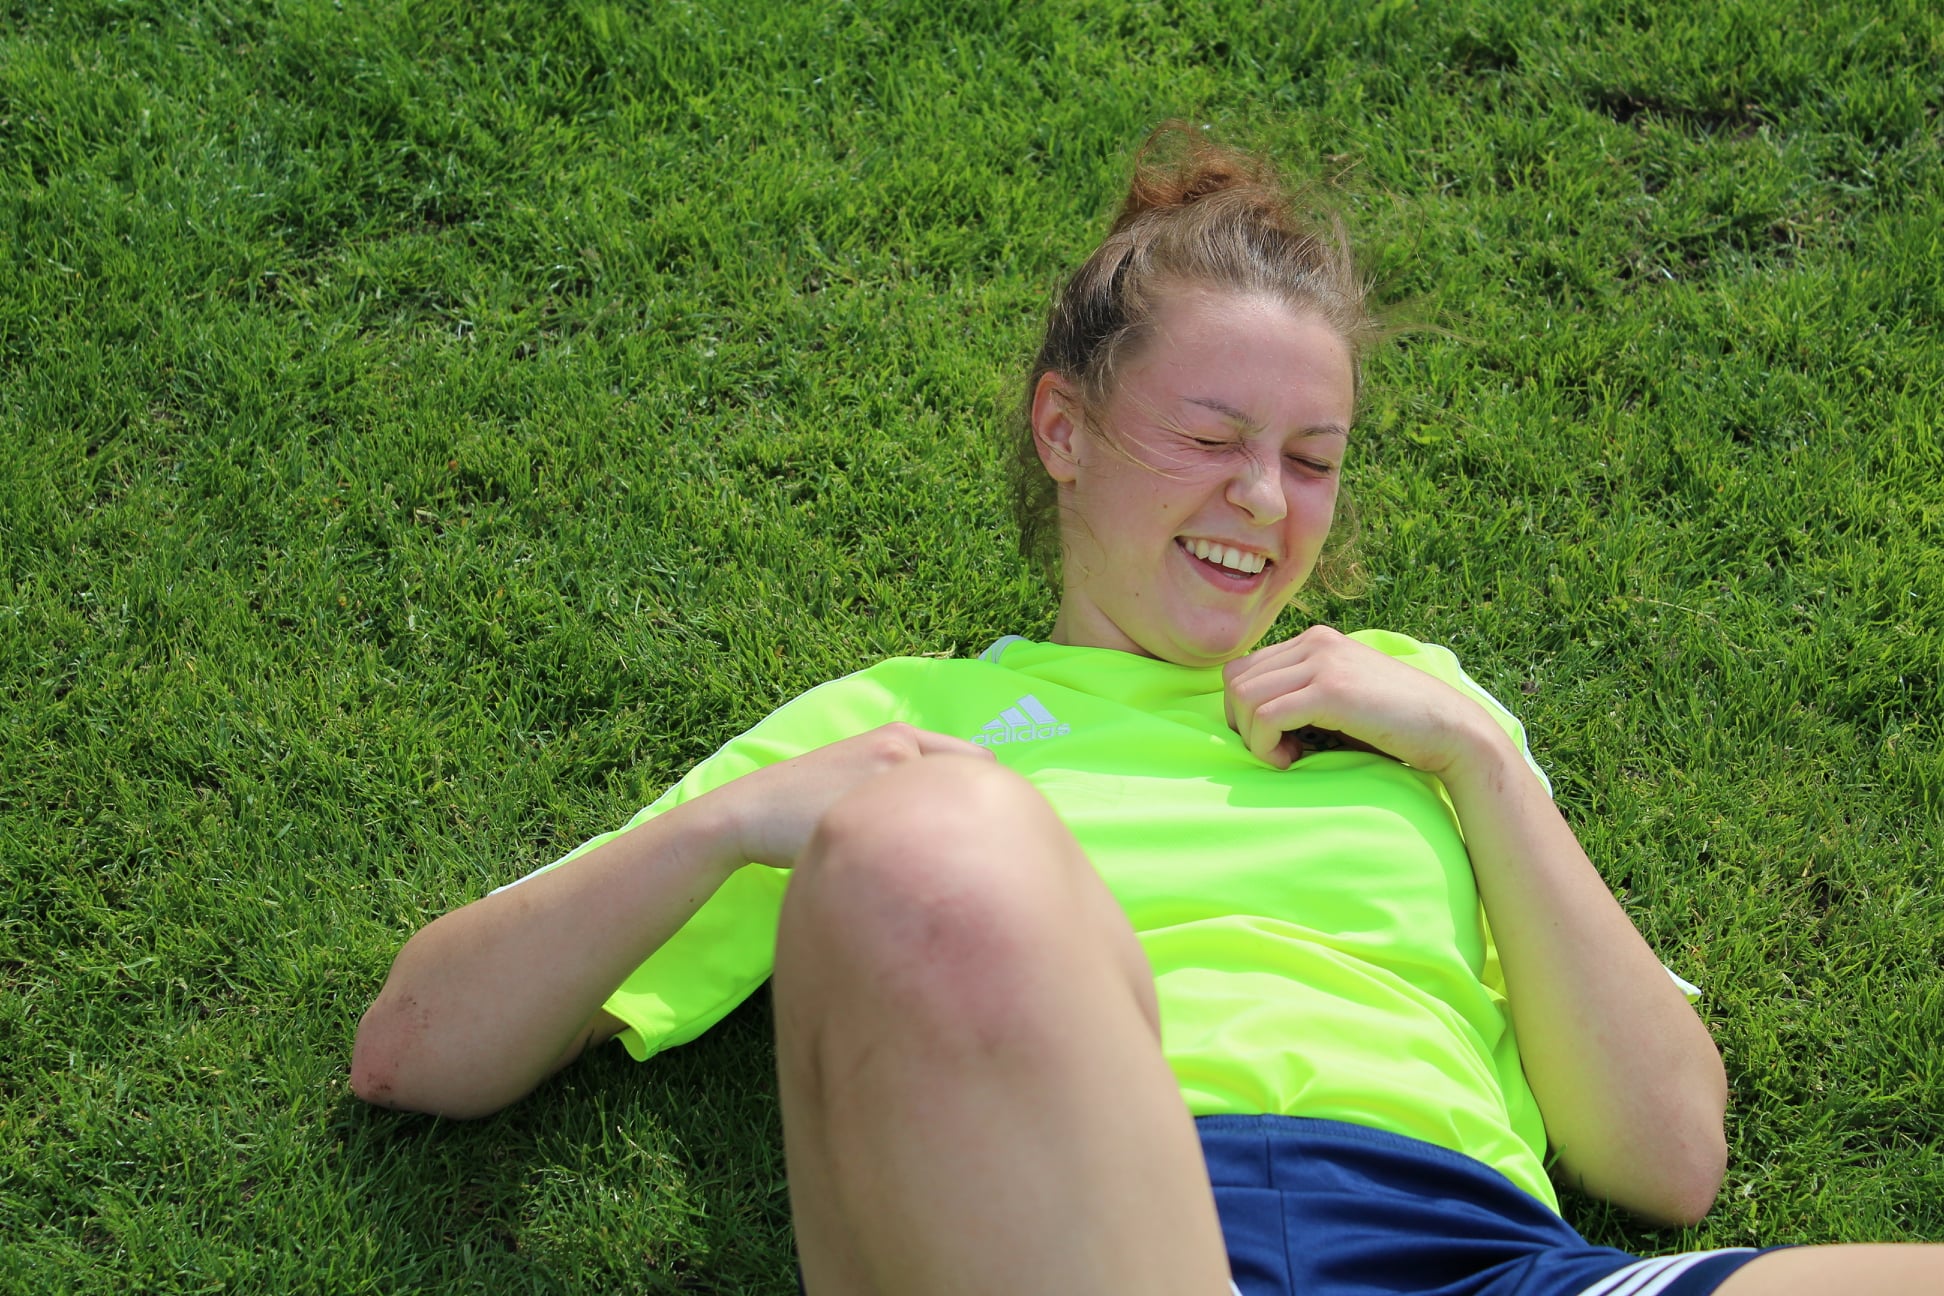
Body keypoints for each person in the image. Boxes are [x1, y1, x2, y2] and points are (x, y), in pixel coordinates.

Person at [350, 126, 1942, 1296]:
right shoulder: (902, 726)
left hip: (1483, 1260)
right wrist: (733, 828)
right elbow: (416, 1049)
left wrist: (1475, 761)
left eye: (1311, 460)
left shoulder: (1420, 709)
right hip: (1098, 1230)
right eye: (1209, 438)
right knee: (934, 838)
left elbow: (1668, 1158)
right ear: (1065, 431)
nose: (1263, 500)